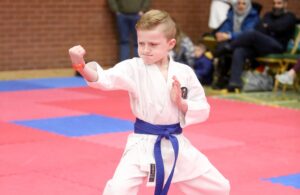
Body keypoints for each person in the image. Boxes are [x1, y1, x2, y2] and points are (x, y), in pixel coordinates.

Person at [69, 9, 230, 195]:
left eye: (153, 44)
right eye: (141, 43)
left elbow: (203, 107)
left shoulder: (185, 72)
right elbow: (104, 79)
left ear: (170, 44)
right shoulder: (134, 67)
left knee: (219, 188)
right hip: (142, 143)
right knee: (118, 191)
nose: (145, 49)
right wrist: (80, 65)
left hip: (174, 142)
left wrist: (181, 104)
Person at [220, 0, 297, 92]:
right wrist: (268, 27)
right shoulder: (268, 15)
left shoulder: (290, 17)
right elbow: (260, 27)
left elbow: (279, 28)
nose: (276, 6)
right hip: (261, 45)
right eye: (274, 3)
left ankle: (229, 47)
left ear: (285, 4)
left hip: (277, 46)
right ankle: (234, 84)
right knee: (239, 51)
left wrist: (268, 26)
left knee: (252, 34)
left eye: (279, 3)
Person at [213, 0, 260, 89]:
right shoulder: (231, 14)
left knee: (234, 50)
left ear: (248, 5)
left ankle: (234, 82)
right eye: (238, 3)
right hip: (231, 42)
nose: (240, 6)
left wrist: (229, 36)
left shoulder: (253, 17)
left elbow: (247, 34)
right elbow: (225, 27)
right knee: (222, 48)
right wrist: (221, 34)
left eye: (243, 4)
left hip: (247, 45)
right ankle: (221, 79)